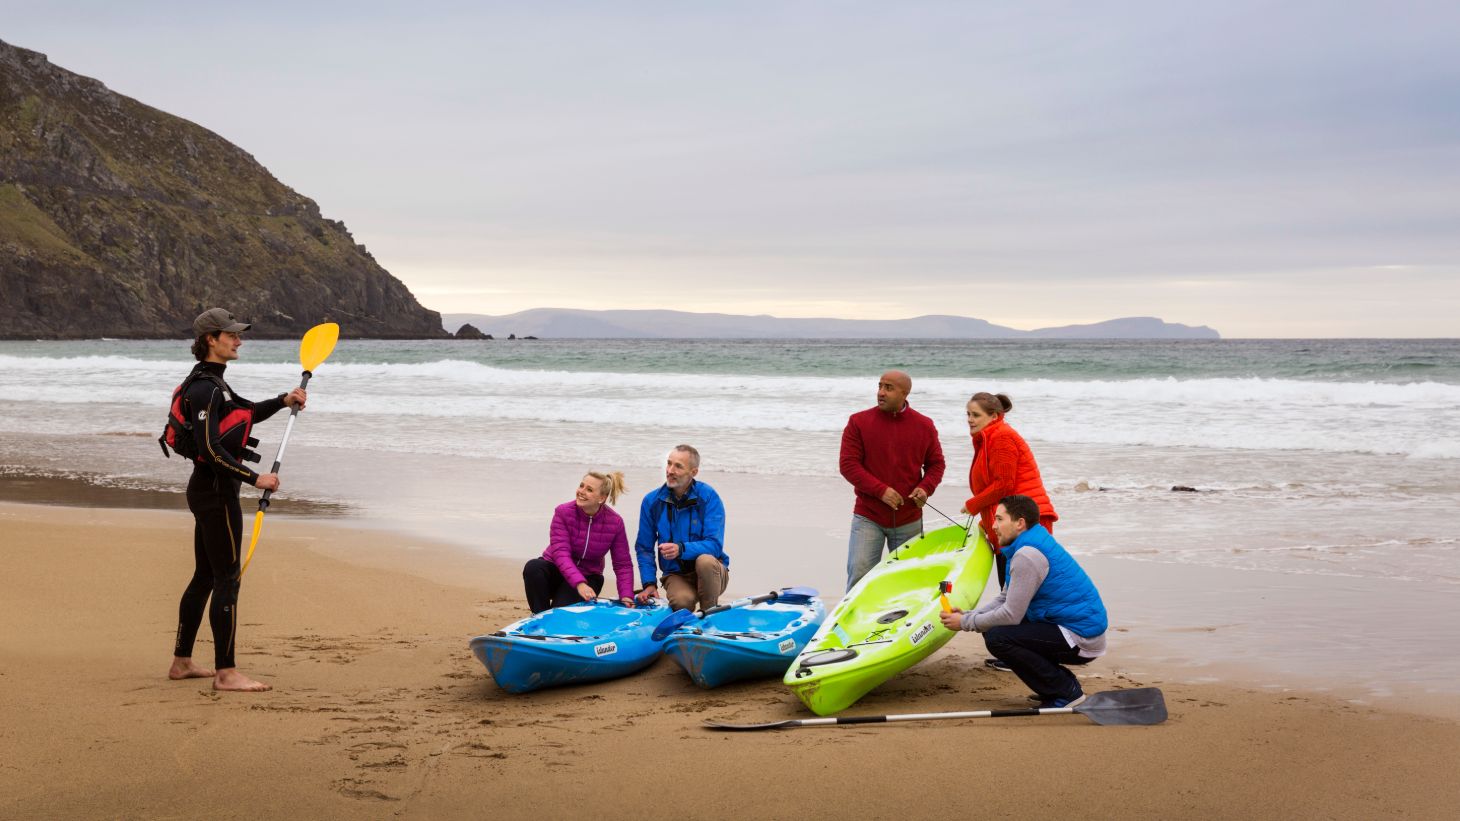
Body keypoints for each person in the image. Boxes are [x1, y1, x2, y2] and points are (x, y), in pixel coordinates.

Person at [168, 308, 306, 692]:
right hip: (214, 492)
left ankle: (182, 663)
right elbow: (212, 450)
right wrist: (255, 476)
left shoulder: (214, 384)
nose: (239, 340)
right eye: (231, 335)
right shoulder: (205, 388)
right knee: (227, 578)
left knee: (206, 576)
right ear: (211, 339)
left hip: (210, 490)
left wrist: (283, 400)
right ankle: (226, 673)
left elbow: (245, 414)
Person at [939, 495, 1107, 708]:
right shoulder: (1026, 545)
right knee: (992, 629)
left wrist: (964, 624)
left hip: (1082, 636)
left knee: (998, 637)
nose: (994, 526)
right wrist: (969, 616)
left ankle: (1066, 692)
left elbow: (1011, 614)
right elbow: (1005, 598)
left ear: (1020, 523)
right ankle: (1059, 687)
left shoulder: (1027, 555)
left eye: (999, 519)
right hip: (1068, 627)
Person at [838, 370, 946, 590]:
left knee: (908, 582)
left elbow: (936, 464)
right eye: (879, 386)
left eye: (888, 388)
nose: (881, 392)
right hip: (869, 516)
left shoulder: (924, 425)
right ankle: (854, 622)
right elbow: (848, 465)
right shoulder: (858, 422)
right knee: (860, 574)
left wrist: (925, 488)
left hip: (909, 518)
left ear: (904, 393)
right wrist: (881, 491)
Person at [961, 392, 1057, 589]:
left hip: (1025, 522)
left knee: (1018, 594)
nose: (970, 420)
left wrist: (973, 505)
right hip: (1011, 521)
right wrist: (987, 521)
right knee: (1009, 590)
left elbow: (1004, 484)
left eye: (976, 415)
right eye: (968, 414)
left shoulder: (1001, 437)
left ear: (994, 416)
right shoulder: (988, 437)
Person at [632, 445, 729, 612]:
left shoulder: (708, 497)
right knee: (682, 603)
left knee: (704, 561)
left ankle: (709, 615)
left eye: (678, 466)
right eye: (669, 464)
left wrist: (681, 549)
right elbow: (644, 548)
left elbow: (714, 545)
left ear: (693, 472)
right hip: (676, 574)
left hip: (712, 572)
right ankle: (686, 625)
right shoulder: (651, 501)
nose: (670, 470)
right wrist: (649, 584)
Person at [522, 471, 635, 612]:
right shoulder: (563, 512)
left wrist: (626, 595)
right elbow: (560, 553)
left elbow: (622, 563)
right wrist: (579, 583)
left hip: (589, 577)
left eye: (589, 490)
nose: (581, 492)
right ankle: (539, 616)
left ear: (602, 498)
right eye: (581, 486)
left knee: (560, 613)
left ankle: (552, 619)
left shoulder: (615, 522)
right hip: (557, 571)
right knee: (534, 567)